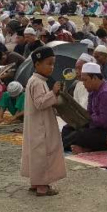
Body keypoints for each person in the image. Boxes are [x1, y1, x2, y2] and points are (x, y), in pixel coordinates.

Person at [20, 46, 66, 197]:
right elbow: (40, 103)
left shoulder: (37, 80)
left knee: (36, 154)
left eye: (53, 64)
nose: (51, 67)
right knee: (43, 154)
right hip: (41, 126)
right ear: (37, 64)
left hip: (37, 124)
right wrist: (53, 92)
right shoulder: (38, 82)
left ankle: (36, 183)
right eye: (48, 63)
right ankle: (43, 186)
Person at [62, 62, 107, 154]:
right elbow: (89, 113)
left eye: (85, 80)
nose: (83, 84)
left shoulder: (106, 93)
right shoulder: (93, 92)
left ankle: (74, 147)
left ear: (95, 78)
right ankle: (80, 147)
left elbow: (105, 122)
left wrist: (88, 120)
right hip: (98, 128)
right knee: (67, 129)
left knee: (80, 134)